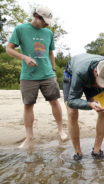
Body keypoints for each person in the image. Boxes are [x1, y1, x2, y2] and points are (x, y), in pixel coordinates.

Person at [6, 5, 67, 148]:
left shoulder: (48, 33)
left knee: (55, 101)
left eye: (47, 22)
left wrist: (53, 68)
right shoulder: (20, 29)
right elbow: (8, 49)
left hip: (47, 74)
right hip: (28, 75)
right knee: (28, 105)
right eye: (44, 20)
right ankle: (29, 137)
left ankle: (61, 130)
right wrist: (25, 58)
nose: (46, 24)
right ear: (36, 16)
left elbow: (51, 52)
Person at [63, 53, 104, 160]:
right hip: (72, 75)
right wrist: (89, 104)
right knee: (72, 112)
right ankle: (78, 153)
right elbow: (72, 101)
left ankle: (96, 151)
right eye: (103, 82)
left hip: (93, 77)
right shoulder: (80, 72)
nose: (103, 84)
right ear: (96, 72)